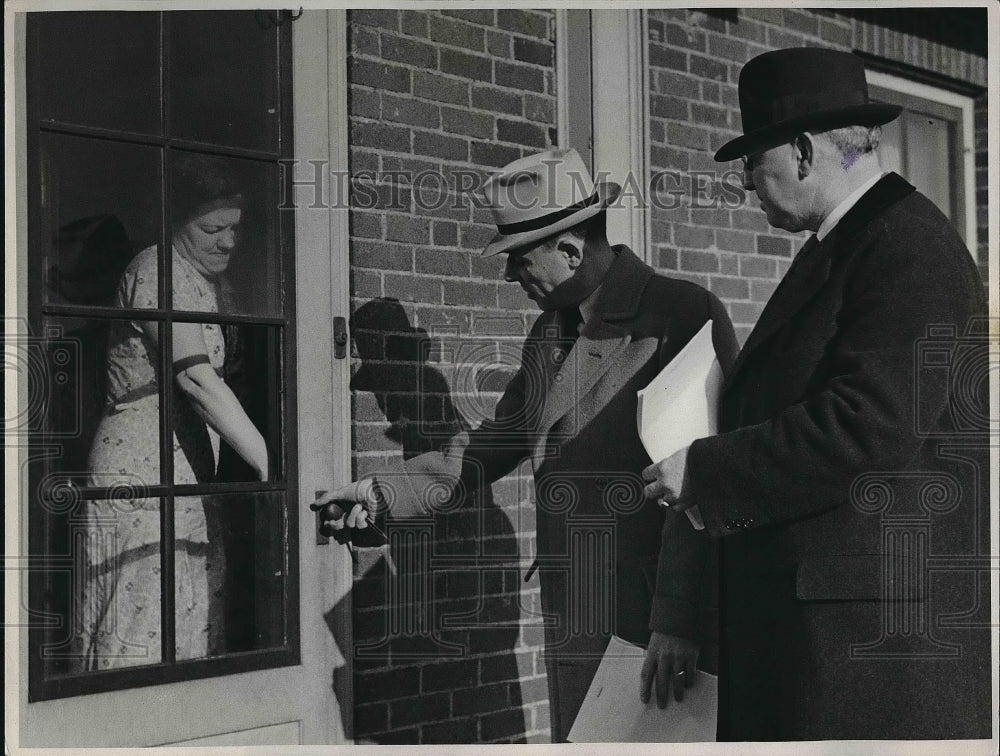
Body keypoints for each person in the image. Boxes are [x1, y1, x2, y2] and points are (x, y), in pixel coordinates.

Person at [315, 147, 738, 742]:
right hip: (582, 606)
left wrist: (682, 618)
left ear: (569, 250)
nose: (510, 277)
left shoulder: (679, 314)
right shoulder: (550, 331)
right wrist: (384, 493)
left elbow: (710, 479)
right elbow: (499, 440)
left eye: (517, 259)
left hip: (654, 618)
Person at [642, 48, 990, 740]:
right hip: (832, 637)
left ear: (802, 151)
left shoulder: (907, 248)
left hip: (869, 655)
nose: (746, 182)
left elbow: (866, 424)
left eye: (751, 160)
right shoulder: (857, 242)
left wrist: (706, 469)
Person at [76, 153, 269, 670]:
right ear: (176, 220)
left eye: (235, 228)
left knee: (184, 617)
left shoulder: (196, 278)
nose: (228, 241)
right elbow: (194, 378)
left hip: (181, 465)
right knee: (144, 622)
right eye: (213, 228)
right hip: (142, 466)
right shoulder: (158, 268)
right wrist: (270, 465)